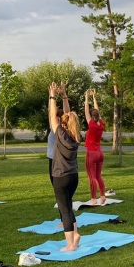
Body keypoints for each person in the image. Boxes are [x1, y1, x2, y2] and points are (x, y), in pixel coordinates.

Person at [49, 81, 82, 251]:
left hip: (61, 177)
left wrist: (53, 96)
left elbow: (53, 115)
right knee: (68, 206)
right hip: (73, 176)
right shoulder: (76, 135)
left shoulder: (60, 134)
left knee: (64, 209)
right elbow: (67, 114)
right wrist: (64, 95)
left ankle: (70, 244)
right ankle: (75, 235)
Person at [84, 89, 107, 205]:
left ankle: (93, 198)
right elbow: (97, 111)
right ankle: (102, 196)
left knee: (92, 177)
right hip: (100, 153)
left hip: (91, 153)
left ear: (92, 117)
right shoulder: (101, 125)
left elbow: (86, 111)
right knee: (98, 176)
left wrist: (87, 97)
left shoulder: (91, 125)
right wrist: (94, 97)